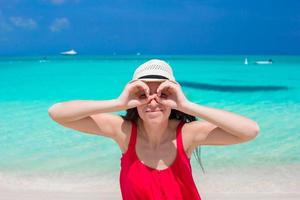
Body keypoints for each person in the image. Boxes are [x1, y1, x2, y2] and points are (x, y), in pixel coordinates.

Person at [48, 59, 260, 200]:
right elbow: (57, 112)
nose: (152, 101)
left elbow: (250, 130)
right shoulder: (124, 132)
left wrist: (186, 105)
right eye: (142, 94)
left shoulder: (187, 134)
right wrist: (118, 102)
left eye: (162, 94)